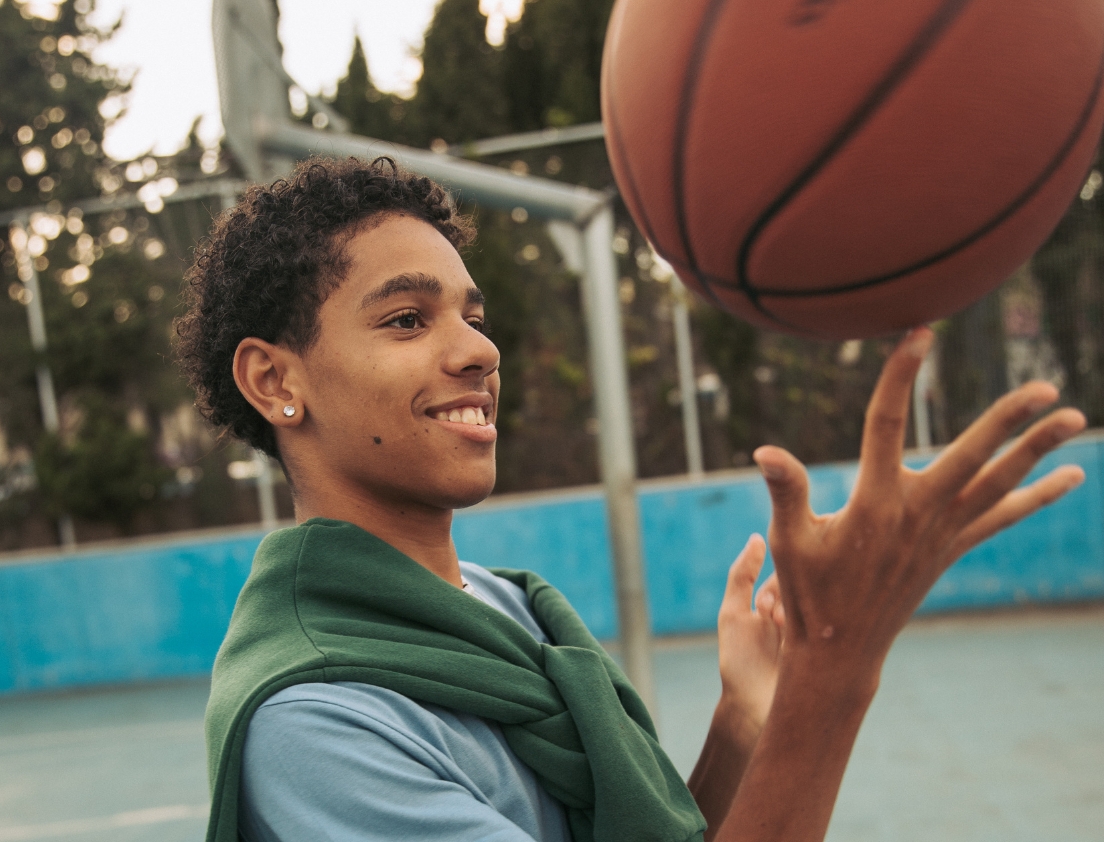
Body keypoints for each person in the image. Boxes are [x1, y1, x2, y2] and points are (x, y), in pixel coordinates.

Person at [176, 157, 1086, 842]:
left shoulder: (502, 607)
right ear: (273, 380)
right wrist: (837, 672)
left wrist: (747, 723)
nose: (479, 351)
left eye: (474, 315)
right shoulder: (318, 725)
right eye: (408, 319)